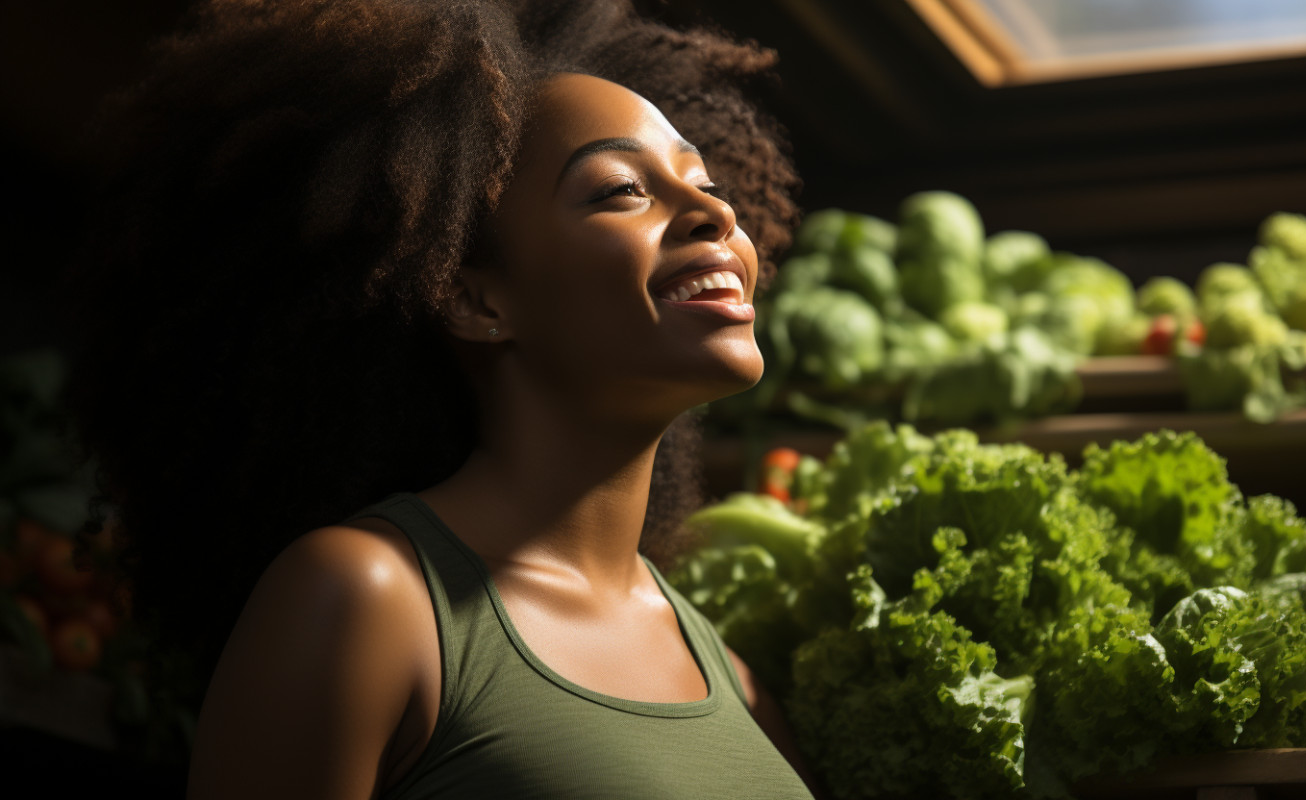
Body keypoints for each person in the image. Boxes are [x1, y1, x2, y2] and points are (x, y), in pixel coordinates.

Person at [66, 0, 812, 796]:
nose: (716, 214)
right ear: (474, 299)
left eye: (706, 183)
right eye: (622, 189)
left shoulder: (733, 677)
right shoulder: (368, 598)